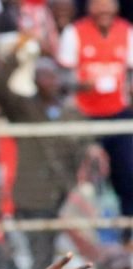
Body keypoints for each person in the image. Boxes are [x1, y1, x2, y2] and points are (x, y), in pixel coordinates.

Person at [0, 37, 85, 269]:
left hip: (65, 194)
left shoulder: (71, 112)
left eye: (51, 75)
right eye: (40, 75)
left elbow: (82, 147)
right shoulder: (25, 109)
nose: (47, 80)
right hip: (33, 195)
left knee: (73, 251)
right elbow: (1, 89)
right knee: (40, 253)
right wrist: (18, 55)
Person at [57, 0, 133, 231]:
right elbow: (60, 77)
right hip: (83, 116)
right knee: (80, 180)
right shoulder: (75, 32)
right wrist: (80, 85)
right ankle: (80, 235)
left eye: (108, 5)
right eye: (98, 5)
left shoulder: (126, 31)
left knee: (127, 174)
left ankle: (127, 234)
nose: (103, 11)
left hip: (118, 114)